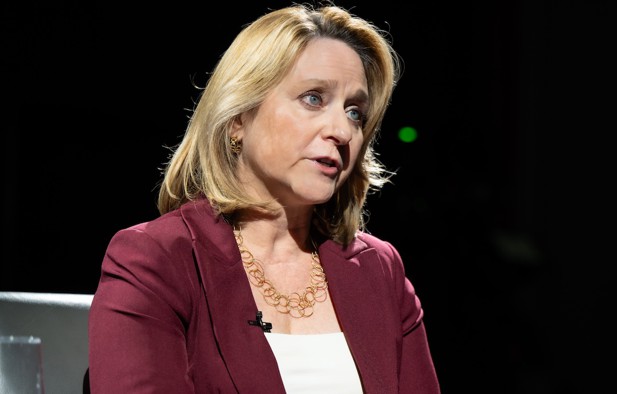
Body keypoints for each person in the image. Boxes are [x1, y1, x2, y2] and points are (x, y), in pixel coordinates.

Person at [86, 3, 440, 393]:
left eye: (355, 112)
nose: (341, 130)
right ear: (239, 116)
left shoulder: (381, 271)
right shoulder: (157, 260)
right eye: (313, 99)